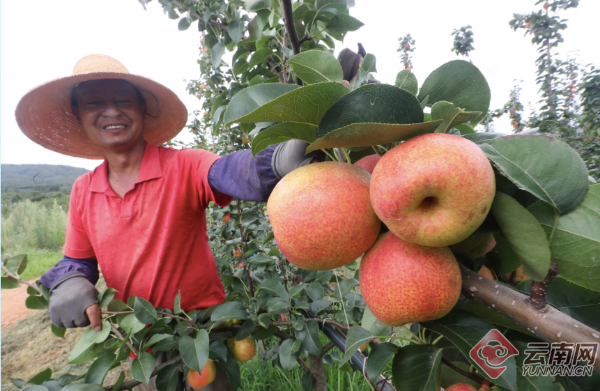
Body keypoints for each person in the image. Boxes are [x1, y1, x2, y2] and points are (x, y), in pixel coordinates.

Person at [15, 54, 322, 390]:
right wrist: (69, 280)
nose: (111, 111)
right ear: (79, 115)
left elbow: (230, 172)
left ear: (142, 110)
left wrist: (278, 158)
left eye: (123, 100)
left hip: (206, 334)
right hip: (141, 341)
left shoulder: (183, 165)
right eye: (93, 102)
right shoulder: (82, 191)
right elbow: (78, 259)